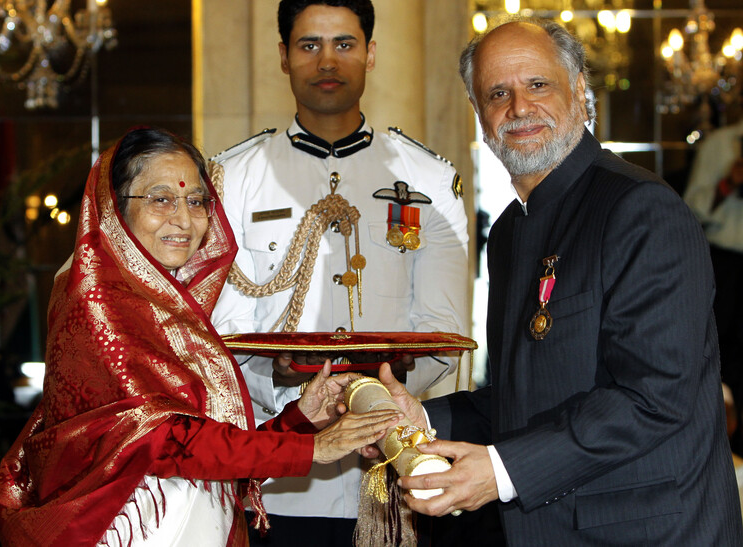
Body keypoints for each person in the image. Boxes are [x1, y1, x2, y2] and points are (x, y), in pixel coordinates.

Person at [384, 18, 743, 545]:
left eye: (537, 85)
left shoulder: (640, 210)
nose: (519, 108)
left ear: (579, 90)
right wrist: (424, 417)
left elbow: (654, 397)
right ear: (480, 113)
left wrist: (500, 472)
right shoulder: (508, 232)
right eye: (497, 93)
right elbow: (526, 397)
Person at [0, 127, 403, 547]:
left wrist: (300, 421)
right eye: (160, 199)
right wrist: (312, 450)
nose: (184, 220)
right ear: (115, 207)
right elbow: (166, 443)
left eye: (195, 201)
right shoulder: (98, 299)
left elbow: (205, 449)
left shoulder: (166, 304)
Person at [210, 0, 469, 544]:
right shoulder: (232, 180)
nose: (327, 61)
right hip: (281, 482)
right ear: (283, 56)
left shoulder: (428, 178)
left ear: (371, 54)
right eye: (309, 45)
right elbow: (221, 336)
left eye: (344, 44)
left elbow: (442, 332)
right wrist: (300, 406)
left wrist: (373, 403)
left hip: (392, 475)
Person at [683, 119, 743, 455]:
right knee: (719, 354)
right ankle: (717, 452)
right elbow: (690, 207)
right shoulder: (720, 144)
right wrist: (728, 183)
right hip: (725, 263)